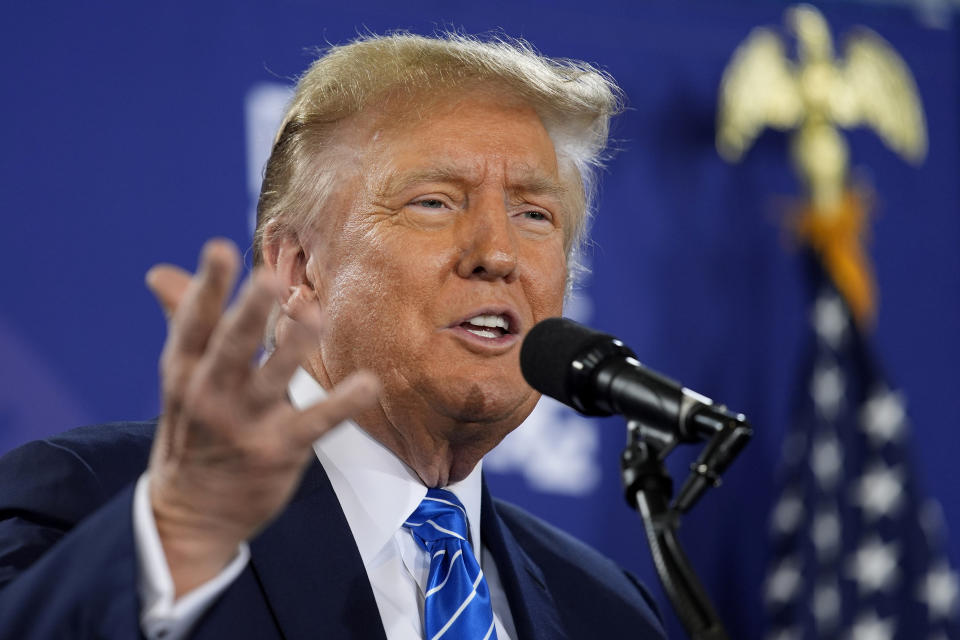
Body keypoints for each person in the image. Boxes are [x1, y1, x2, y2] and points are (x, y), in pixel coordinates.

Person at [0, 32, 666, 639]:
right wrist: (172, 547)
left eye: (534, 213)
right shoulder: (91, 507)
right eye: (434, 201)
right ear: (298, 269)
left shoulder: (606, 609)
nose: (498, 252)